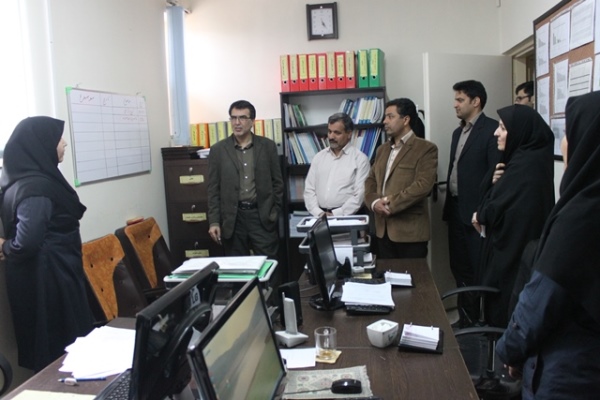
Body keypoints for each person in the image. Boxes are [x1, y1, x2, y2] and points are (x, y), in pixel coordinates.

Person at [496, 91, 600, 399]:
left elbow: (538, 305)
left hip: (569, 375)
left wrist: (509, 352)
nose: (564, 143)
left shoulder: (581, 216)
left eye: (568, 133)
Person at [0, 116, 93, 372]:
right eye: (58, 138)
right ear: (41, 144)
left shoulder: (35, 180)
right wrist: (6, 247)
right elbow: (27, 241)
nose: (64, 143)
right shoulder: (35, 187)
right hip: (49, 279)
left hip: (55, 272)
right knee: (59, 348)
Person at [472, 105, 554, 327]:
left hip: (512, 258)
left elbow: (490, 211)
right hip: (514, 254)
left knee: (505, 315)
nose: (496, 133)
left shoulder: (524, 168)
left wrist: (481, 214)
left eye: (502, 128)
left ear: (519, 132)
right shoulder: (523, 161)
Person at [443, 80, 500, 327]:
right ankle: (465, 319)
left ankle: (481, 322)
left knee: (479, 269)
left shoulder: (492, 130)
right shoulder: (458, 132)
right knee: (459, 268)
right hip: (455, 209)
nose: (455, 104)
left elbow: (495, 176)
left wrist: (483, 211)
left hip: (477, 214)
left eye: (460, 100)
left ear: (475, 101)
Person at [207, 100, 283, 260]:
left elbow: (277, 183)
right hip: (233, 219)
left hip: (261, 217)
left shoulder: (267, 146)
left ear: (252, 121)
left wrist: (274, 212)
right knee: (237, 267)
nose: (237, 122)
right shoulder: (218, 150)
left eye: (242, 118)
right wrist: (214, 222)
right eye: (233, 118)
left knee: (269, 264)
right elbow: (213, 189)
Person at [364, 98, 437, 259]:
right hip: (382, 231)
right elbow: (370, 180)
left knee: (414, 275)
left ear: (405, 120)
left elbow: (423, 186)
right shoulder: (382, 150)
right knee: (386, 274)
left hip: (410, 233)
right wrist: (374, 203)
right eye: (385, 117)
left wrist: (389, 204)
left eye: (390, 117)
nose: (385, 121)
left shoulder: (425, 149)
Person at [303, 112, 370, 217]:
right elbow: (309, 190)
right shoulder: (319, 157)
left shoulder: (360, 159)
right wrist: (318, 212)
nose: (331, 136)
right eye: (329, 132)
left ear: (349, 134)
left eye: (337, 133)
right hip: (320, 216)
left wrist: (335, 214)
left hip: (348, 217)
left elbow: (360, 195)